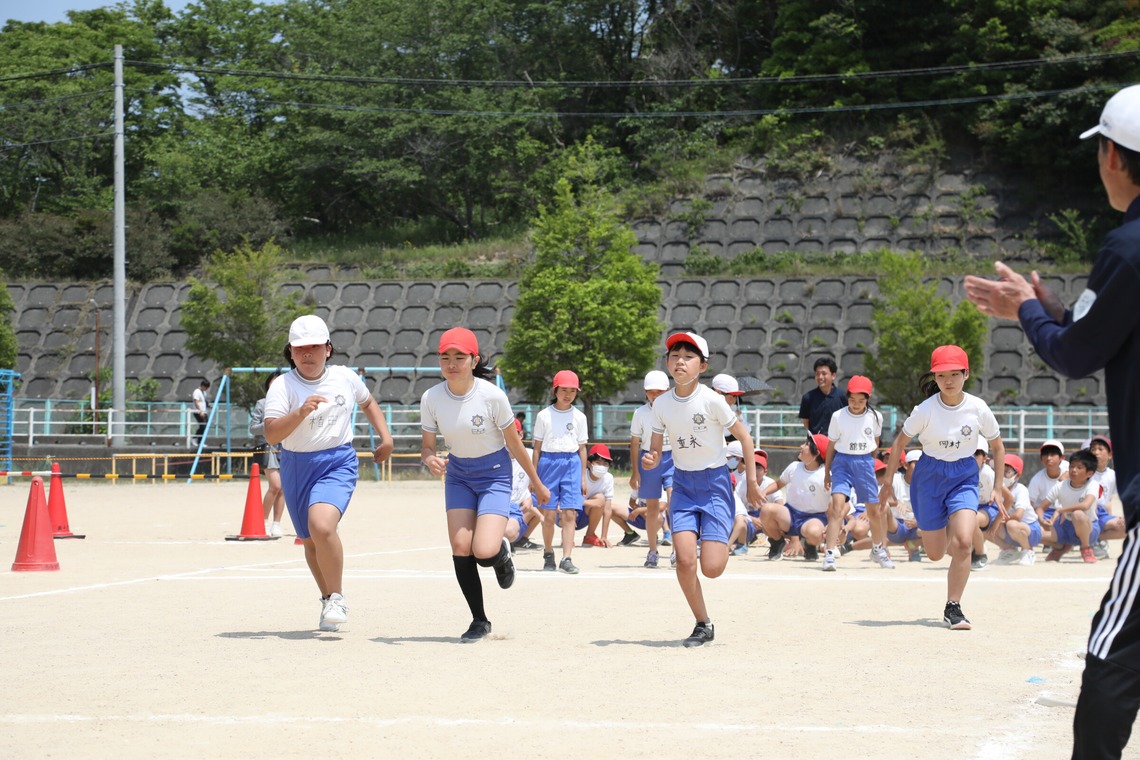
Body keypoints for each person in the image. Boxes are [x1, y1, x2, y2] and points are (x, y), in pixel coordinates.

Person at [963, 83, 1140, 757]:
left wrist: (1026, 313)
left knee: (1112, 658)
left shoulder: (1128, 247)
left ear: (1114, 158)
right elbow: (1099, 330)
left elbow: (1073, 354)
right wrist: (1056, 310)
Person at [263, 315, 394, 633]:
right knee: (309, 541)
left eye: (315, 347)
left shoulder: (345, 378)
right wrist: (299, 412)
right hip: (296, 465)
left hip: (337, 462)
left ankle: (337, 596)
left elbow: (369, 402)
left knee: (321, 526)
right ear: (291, 353)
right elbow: (270, 434)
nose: (308, 354)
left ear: (328, 349)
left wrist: (386, 438)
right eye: (300, 349)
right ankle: (327, 599)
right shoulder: (283, 385)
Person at [420, 327, 550, 642]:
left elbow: (516, 446)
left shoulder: (492, 396)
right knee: (461, 547)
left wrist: (536, 483)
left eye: (460, 357)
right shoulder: (432, 397)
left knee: (484, 550)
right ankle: (479, 620)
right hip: (459, 476)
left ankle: (501, 557)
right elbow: (427, 446)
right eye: (445, 357)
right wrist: (429, 459)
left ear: (474, 359)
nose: (452, 363)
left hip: (494, 474)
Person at [640, 331, 762, 647]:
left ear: (703, 366)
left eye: (688, 356)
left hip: (714, 485)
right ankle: (702, 623)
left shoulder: (712, 401)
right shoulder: (661, 404)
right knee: (683, 560)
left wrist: (751, 483)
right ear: (667, 362)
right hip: (682, 485)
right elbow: (655, 448)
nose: (680, 361)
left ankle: (731, 535)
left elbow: (745, 439)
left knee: (711, 568)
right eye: (674, 355)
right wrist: (652, 460)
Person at [879, 345, 1005, 631]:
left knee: (963, 542)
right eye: (941, 375)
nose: (948, 381)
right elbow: (899, 444)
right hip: (929, 475)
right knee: (936, 553)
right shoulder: (925, 410)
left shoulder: (978, 408)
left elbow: (997, 446)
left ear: (966, 374)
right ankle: (946, 524)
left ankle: (953, 607)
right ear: (934, 378)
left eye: (954, 374)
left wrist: (997, 487)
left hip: (963, 474)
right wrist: (887, 483)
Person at [822, 375, 890, 572]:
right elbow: (831, 446)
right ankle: (829, 553)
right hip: (842, 462)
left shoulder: (876, 416)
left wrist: (870, 463)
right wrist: (827, 472)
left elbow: (875, 444)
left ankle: (878, 549)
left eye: (861, 400)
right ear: (847, 397)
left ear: (868, 398)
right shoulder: (838, 416)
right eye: (852, 400)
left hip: (864, 461)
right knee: (836, 508)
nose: (856, 404)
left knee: (873, 510)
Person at [532, 370, 588, 574]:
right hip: (548, 462)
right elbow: (536, 448)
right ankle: (548, 554)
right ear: (555, 390)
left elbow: (582, 449)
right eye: (564, 390)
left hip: (571, 463)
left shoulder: (580, 417)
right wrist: (534, 477)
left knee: (570, 513)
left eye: (572, 391)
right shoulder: (544, 415)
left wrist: (583, 477)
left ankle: (567, 557)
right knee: (548, 514)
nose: (568, 394)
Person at [761, 434, 831, 563]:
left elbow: (835, 503)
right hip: (791, 513)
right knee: (766, 510)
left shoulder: (826, 475)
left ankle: (810, 546)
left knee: (815, 533)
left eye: (806, 445)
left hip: (814, 517)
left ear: (816, 454)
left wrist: (831, 524)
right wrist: (763, 492)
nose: (801, 446)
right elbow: (778, 484)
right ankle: (777, 542)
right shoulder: (794, 466)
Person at [630, 370, 674, 568]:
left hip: (673, 458)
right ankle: (653, 551)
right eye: (651, 391)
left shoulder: (676, 410)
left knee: (675, 504)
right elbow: (634, 443)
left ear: (668, 390)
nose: (655, 395)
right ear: (645, 392)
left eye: (659, 391)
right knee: (652, 509)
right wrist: (635, 472)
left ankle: (676, 551)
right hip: (648, 458)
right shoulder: (640, 413)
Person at [1038, 449, 1102, 563]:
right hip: (1066, 527)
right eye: (1071, 466)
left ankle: (1086, 548)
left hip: (1089, 529)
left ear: (1090, 473)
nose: (1073, 470)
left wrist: (1060, 510)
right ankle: (1061, 547)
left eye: (1079, 467)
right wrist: (1042, 521)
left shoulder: (1093, 485)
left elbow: (1085, 505)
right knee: (1033, 534)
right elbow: (1040, 508)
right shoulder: (1060, 486)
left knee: (1078, 514)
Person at [249, 371, 286, 537]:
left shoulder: (289, 403)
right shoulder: (262, 403)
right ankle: (262, 520)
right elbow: (253, 428)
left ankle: (276, 524)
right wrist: (270, 425)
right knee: (275, 485)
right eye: (274, 382)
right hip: (267, 447)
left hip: (285, 447)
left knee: (284, 489)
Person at [992, 454, 1040, 566]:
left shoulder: (1020, 490)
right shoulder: (995, 489)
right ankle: (1009, 550)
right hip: (1009, 528)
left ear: (1017, 476)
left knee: (1012, 524)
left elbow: (1018, 515)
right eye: (1001, 470)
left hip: (1030, 529)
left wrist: (1000, 520)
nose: (1003, 475)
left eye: (1007, 472)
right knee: (987, 525)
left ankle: (1028, 550)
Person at [581, 444, 616, 547]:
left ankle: (589, 536)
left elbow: (608, 509)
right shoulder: (581, 475)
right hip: (573, 513)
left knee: (601, 499)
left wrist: (604, 536)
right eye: (598, 462)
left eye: (605, 463)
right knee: (599, 500)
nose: (601, 466)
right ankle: (567, 537)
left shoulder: (608, 478)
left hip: (587, 514)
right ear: (589, 463)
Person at [799, 357, 844, 434]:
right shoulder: (808, 398)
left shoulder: (843, 396)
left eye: (824, 373)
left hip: (837, 443)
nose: (820, 377)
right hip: (816, 443)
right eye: (817, 374)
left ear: (833, 375)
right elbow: (806, 422)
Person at [191, 378, 210, 446]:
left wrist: (208, 405)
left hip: (204, 412)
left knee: (205, 426)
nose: (206, 389)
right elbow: (196, 401)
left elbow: (204, 401)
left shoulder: (204, 392)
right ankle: (195, 439)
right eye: (205, 387)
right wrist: (200, 411)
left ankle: (200, 441)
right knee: (203, 426)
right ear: (202, 385)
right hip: (198, 412)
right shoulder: (197, 391)